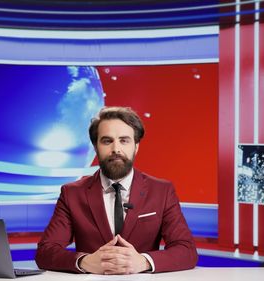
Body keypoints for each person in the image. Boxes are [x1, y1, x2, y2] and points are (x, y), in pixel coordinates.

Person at [35, 106, 197, 274]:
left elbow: (186, 251)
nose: (116, 149)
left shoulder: (162, 191)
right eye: (107, 141)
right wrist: (84, 262)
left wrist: (144, 262)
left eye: (124, 140)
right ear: (96, 147)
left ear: (136, 146)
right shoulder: (72, 194)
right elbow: (45, 252)